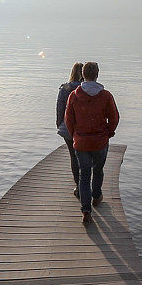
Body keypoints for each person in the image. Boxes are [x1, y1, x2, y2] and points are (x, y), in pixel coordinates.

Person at [65, 61, 120, 222]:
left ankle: (86, 211)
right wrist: (108, 133)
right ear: (97, 74)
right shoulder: (106, 95)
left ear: (83, 75)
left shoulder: (74, 95)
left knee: (84, 175)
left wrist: (75, 134)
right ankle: (96, 196)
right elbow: (114, 117)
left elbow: (68, 119)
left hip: (81, 142)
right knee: (98, 170)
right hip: (100, 141)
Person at [56, 62, 83, 197]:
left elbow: (60, 108)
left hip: (67, 128)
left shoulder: (65, 88)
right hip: (83, 128)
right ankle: (85, 185)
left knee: (73, 156)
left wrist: (59, 124)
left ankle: (78, 185)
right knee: (84, 157)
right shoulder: (86, 89)